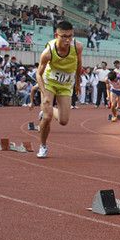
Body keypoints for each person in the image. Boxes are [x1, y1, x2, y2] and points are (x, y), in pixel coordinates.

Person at [36, 21, 83, 158]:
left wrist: (78, 83)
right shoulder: (48, 52)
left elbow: (79, 64)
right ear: (56, 35)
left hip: (66, 84)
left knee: (63, 121)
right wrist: (44, 95)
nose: (67, 40)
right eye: (63, 36)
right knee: (47, 117)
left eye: (70, 36)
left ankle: (48, 110)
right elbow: (38, 74)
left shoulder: (77, 47)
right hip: (49, 82)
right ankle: (43, 146)